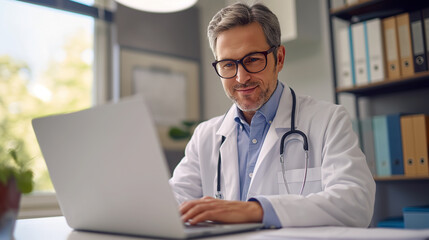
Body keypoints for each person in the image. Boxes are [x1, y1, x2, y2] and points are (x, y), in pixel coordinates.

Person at [169, 2, 375, 228]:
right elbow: (171, 203)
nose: (241, 78)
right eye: (228, 64)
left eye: (253, 60)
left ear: (279, 58)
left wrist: (255, 210)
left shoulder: (328, 120)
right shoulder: (205, 136)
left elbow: (355, 203)